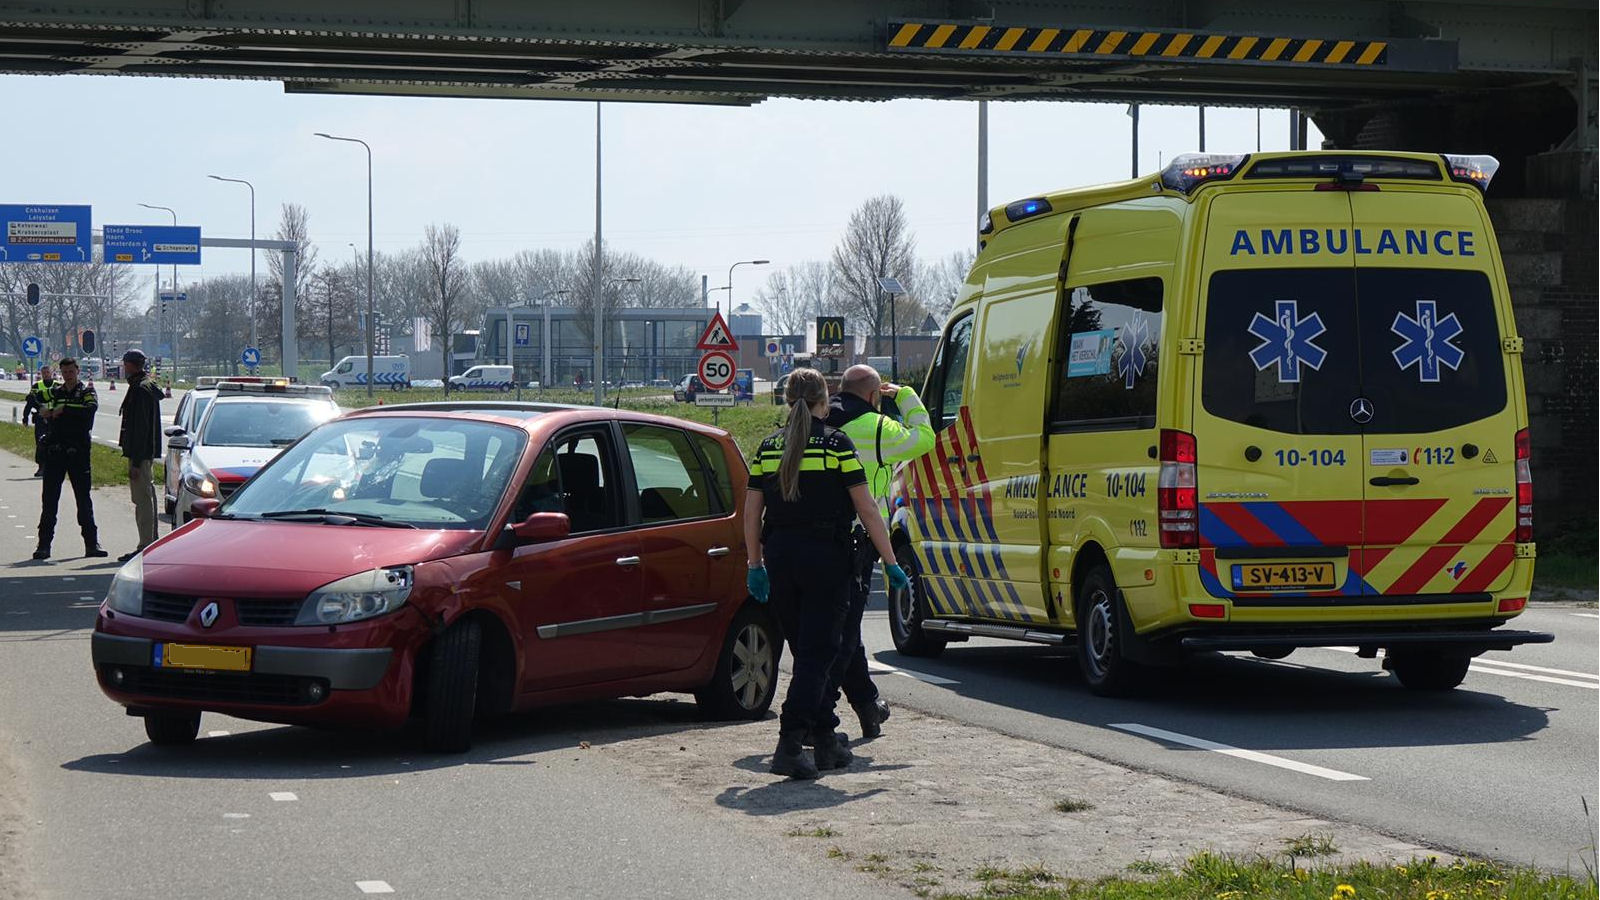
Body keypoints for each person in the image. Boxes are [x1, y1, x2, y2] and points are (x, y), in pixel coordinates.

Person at [744, 367, 909, 780]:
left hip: (781, 557)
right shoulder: (837, 445)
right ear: (825, 400)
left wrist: (755, 565)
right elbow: (868, 509)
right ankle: (790, 741)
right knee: (819, 656)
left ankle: (826, 739)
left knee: (807, 653)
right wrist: (891, 563)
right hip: (826, 560)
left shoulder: (768, 448)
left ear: (787, 401)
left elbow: (751, 513)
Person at [823, 364, 937, 739]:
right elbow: (924, 439)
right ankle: (819, 716)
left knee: (845, 630)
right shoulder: (876, 427)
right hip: (860, 540)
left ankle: (867, 704)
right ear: (874, 396)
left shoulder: (820, 419)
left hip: (814, 536)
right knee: (843, 633)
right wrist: (904, 395)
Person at [33, 359, 106, 560]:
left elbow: (89, 412)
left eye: (71, 371)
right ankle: (43, 545)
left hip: (78, 451)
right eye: (64, 372)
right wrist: (45, 412)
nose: (68, 375)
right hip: (56, 451)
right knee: (49, 500)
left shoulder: (86, 392)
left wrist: (64, 411)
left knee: (83, 500)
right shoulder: (56, 393)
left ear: (77, 371)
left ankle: (92, 544)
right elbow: (41, 407)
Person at [117, 349, 165, 562]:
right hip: (143, 452)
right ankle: (148, 541)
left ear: (130, 365)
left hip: (140, 454)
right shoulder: (145, 386)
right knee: (145, 496)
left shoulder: (140, 389)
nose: (123, 368)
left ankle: (146, 544)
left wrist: (135, 461)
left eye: (125, 364)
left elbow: (140, 428)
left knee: (142, 499)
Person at [21, 364, 54, 477]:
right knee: (40, 443)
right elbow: (30, 402)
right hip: (40, 419)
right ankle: (41, 467)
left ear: (51, 373)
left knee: (55, 443)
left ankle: (55, 467)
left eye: (47, 372)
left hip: (55, 419)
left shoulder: (58, 385)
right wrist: (25, 417)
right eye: (43, 373)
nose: (45, 374)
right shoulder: (36, 386)